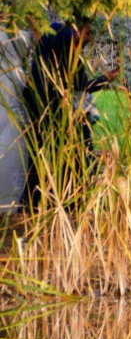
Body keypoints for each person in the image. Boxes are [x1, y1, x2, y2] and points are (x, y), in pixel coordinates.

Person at [19, 19, 118, 209]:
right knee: (44, 169)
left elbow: (81, 89)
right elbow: (47, 95)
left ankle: (70, 205)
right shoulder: (48, 63)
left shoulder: (74, 61)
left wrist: (103, 80)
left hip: (72, 129)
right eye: (85, 33)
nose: (88, 38)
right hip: (51, 129)